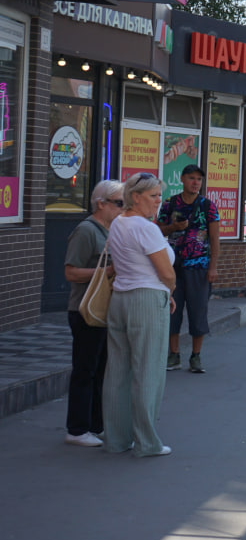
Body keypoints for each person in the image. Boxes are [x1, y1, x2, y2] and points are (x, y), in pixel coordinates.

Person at [102, 172, 177, 457]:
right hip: (146, 299)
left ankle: (115, 438)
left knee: (118, 372)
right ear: (135, 197)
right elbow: (166, 272)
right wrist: (169, 291)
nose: (159, 201)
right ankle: (146, 442)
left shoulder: (118, 223)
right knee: (149, 371)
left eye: (159, 195)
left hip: (120, 298)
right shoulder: (146, 229)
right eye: (154, 195)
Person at [62, 179, 125, 447]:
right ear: (101, 203)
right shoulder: (86, 231)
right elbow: (70, 272)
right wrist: (105, 271)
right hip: (85, 309)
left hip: (104, 311)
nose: (123, 209)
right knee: (85, 370)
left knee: (101, 370)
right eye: (119, 203)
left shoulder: (111, 231)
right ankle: (76, 429)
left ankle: (96, 425)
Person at [157, 164, 219, 373]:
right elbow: (157, 231)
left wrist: (213, 267)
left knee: (198, 310)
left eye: (199, 180)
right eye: (191, 178)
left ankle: (196, 356)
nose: (195, 183)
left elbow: (214, 238)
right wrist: (173, 228)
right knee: (172, 311)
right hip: (172, 266)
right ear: (182, 179)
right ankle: (174, 355)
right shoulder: (170, 203)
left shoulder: (207, 206)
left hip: (199, 266)